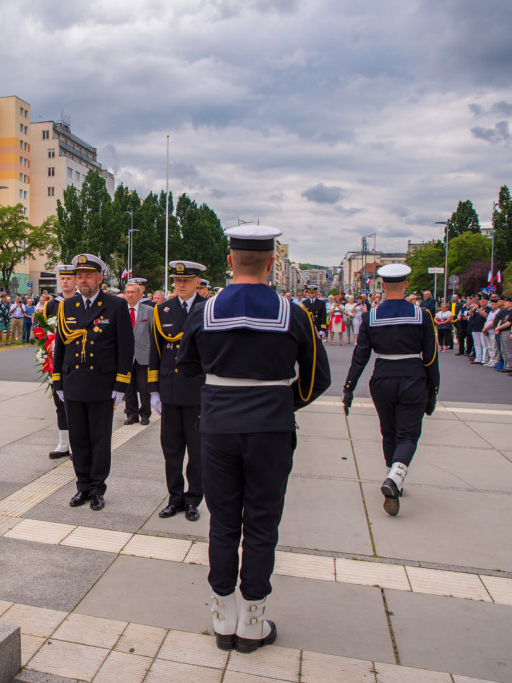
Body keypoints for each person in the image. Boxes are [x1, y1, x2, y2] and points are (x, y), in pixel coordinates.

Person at [177, 226, 329, 654]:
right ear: (269, 264)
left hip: (219, 427)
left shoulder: (204, 311)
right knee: (262, 523)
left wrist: (221, 389)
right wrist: (280, 404)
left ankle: (222, 615)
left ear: (229, 261)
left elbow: (186, 366)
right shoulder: (292, 311)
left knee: (223, 522)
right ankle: (253, 620)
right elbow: (318, 377)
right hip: (271, 430)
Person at [342, 264, 439, 517]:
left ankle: (394, 477)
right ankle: (395, 478)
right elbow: (430, 358)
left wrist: (349, 387)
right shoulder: (422, 315)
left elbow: (360, 356)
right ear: (406, 285)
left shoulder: (371, 316)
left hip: (383, 377)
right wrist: (433, 390)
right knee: (408, 435)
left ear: (382, 286)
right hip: (413, 376)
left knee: (388, 431)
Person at [52, 254, 134, 511]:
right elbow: (61, 346)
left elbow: (125, 347)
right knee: (78, 439)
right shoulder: (67, 306)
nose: (82, 280)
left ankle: (97, 488)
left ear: (100, 278)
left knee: (99, 439)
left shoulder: (115, 306)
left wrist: (120, 385)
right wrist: (58, 381)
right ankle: (82, 486)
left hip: (102, 384)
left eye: (88, 275)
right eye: (79, 276)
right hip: (74, 382)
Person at [148, 260, 207, 522]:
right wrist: (153, 390)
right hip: (170, 389)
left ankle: (194, 498)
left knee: (197, 451)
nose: (180, 284)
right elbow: (156, 351)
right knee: (171, 450)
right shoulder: (163, 310)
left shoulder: (207, 309)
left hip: (197, 391)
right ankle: (174, 497)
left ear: (198, 282)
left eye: (186, 280)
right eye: (177, 280)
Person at [43, 264, 77, 459]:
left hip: (75, 361)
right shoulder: (51, 305)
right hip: (55, 361)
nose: (65, 281)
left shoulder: (80, 302)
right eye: (62, 278)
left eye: (69, 278)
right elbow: (43, 332)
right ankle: (63, 442)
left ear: (75, 280)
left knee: (74, 404)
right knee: (59, 401)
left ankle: (75, 444)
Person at [123, 282, 152, 425]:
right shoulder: (121, 310)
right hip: (127, 357)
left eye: (133, 292)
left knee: (144, 388)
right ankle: (131, 414)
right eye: (127, 292)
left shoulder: (148, 311)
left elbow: (153, 333)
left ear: (139, 294)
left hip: (144, 356)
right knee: (129, 388)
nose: (130, 295)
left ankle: (145, 414)